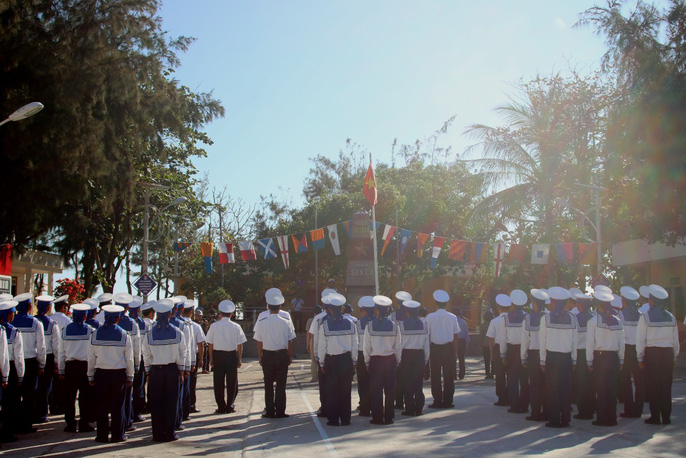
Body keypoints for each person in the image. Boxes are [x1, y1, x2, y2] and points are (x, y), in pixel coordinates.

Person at [88, 304, 134, 443]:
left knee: (101, 406)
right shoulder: (124, 335)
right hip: (118, 375)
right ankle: (117, 435)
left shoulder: (94, 334)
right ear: (118, 318)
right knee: (117, 406)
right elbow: (129, 359)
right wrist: (130, 376)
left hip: (101, 374)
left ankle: (101, 435)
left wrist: (90, 375)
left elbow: (91, 357)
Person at [143, 299, 186, 442]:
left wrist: (148, 371)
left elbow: (146, 354)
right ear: (170, 314)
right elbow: (182, 353)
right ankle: (169, 433)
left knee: (155, 403)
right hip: (172, 370)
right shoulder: (177, 332)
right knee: (171, 402)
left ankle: (157, 434)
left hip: (156, 371)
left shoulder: (149, 334)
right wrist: (181, 370)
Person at [637, 284, 680, 425]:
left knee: (654, 386)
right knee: (666, 386)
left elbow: (641, 339)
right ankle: (666, 417)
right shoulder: (671, 317)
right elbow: (675, 340)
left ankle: (655, 416)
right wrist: (674, 356)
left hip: (652, 354)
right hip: (667, 353)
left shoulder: (645, 317)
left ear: (652, 301)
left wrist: (640, 356)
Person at [539, 286, 578, 428]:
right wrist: (574, 359)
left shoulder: (546, 318)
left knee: (553, 390)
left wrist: (542, 360)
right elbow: (574, 341)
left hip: (552, 357)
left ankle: (554, 419)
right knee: (566, 389)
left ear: (554, 302)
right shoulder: (572, 318)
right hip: (567, 358)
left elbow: (542, 341)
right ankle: (566, 419)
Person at [253, 291, 296, 419]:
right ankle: (281, 411)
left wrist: (260, 356)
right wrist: (289, 356)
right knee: (281, 384)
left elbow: (259, 341)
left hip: (267, 355)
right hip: (282, 355)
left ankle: (270, 411)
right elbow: (290, 341)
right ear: (280, 307)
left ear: (268, 306)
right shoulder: (286, 321)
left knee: (268, 384)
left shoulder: (262, 320)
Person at [317, 293, 357, 426]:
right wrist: (354, 361)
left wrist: (321, 362)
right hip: (346, 360)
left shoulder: (325, 325)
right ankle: (346, 418)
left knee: (332, 390)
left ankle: (333, 419)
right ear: (343, 309)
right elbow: (354, 344)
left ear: (330, 309)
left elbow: (322, 346)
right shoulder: (351, 324)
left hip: (331, 360)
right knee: (346, 390)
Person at [587, 289, 625, 427]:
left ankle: (602, 418)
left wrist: (589, 361)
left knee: (601, 390)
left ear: (598, 305)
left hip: (600, 357)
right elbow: (622, 343)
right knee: (612, 389)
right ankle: (612, 418)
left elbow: (590, 343)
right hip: (613, 357)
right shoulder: (618, 322)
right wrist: (621, 359)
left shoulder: (593, 321)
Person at [364, 295, 401, 425]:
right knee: (390, 390)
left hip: (375, 361)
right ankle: (389, 417)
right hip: (390, 360)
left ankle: (377, 417)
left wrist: (367, 361)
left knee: (376, 390)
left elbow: (367, 346)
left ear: (377, 310)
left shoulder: (369, 326)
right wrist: (398, 360)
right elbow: (398, 346)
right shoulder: (394, 326)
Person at [12, 293, 46, 434]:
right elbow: (41, 346)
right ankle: (26, 425)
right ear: (29, 307)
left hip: (13, 362)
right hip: (31, 363)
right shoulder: (36, 323)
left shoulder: (10, 323)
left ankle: (13, 423)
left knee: (13, 395)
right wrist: (42, 364)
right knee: (29, 395)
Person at [58, 303, 95, 433]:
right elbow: (92, 352)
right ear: (84, 316)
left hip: (70, 366)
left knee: (69, 397)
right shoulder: (91, 330)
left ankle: (70, 424)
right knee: (85, 397)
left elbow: (61, 352)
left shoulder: (65, 330)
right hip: (85, 367)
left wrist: (61, 369)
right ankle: (84, 423)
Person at [205, 300, 246, 415]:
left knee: (218, 381)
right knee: (232, 381)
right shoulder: (236, 326)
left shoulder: (214, 326)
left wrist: (211, 358)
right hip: (231, 355)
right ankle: (230, 405)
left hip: (218, 355)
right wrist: (239, 359)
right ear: (231, 314)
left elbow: (210, 344)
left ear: (220, 313)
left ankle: (221, 406)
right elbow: (240, 345)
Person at [425, 290, 460, 409]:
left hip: (435, 348)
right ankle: (448, 401)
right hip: (448, 348)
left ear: (435, 302)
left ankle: (437, 400)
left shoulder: (429, 317)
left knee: (435, 375)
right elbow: (456, 335)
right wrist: (455, 351)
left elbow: (427, 335)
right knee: (449, 376)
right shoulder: (453, 317)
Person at [113, 293, 140, 433]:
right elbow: (136, 348)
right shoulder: (132, 323)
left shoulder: (105, 322)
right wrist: (136, 365)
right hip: (123, 366)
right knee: (125, 397)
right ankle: (127, 422)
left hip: (105, 367)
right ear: (128, 308)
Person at [498, 290, 528, 414]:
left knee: (512, 379)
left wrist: (503, 354)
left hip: (511, 350)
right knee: (525, 379)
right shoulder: (528, 317)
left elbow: (503, 338)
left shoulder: (505, 318)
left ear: (512, 304)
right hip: (524, 349)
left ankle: (514, 405)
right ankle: (525, 405)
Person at [398, 299, 429, 417]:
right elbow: (426, 344)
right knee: (418, 383)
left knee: (408, 383)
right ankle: (419, 409)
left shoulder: (402, 325)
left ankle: (409, 409)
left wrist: (399, 359)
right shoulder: (424, 324)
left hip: (407, 356)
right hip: (420, 356)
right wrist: (425, 359)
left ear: (407, 312)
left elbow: (399, 344)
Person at [521, 288, 549, 422]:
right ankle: (547, 411)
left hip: (533, 354)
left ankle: (536, 412)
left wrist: (523, 357)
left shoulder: (527, 318)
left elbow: (525, 340)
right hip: (548, 354)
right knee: (547, 384)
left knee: (535, 385)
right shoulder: (550, 316)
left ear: (535, 304)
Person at [34, 294, 61, 424]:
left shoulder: (33, 321)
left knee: (34, 388)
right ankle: (42, 414)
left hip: (32, 357)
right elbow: (56, 346)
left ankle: (32, 412)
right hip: (48, 358)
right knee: (45, 388)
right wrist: (57, 363)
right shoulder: (52, 324)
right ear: (49, 307)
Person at [618, 285, 644, 418]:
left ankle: (629, 410)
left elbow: (620, 336)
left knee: (626, 381)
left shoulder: (620, 315)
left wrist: (620, 356)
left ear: (624, 301)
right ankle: (638, 409)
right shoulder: (641, 315)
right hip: (638, 349)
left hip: (626, 350)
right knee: (639, 381)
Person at [0, 300, 24, 443]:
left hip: (5, 369)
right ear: (9, 316)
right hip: (8, 370)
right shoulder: (12, 332)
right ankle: (6, 433)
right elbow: (12, 357)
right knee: (9, 404)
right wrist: (15, 375)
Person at [169, 296, 192, 431]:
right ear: (181, 309)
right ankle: (176, 421)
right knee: (177, 396)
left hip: (158, 367)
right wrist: (186, 368)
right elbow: (186, 349)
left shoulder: (155, 327)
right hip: (177, 367)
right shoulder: (183, 325)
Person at [309, 293, 332, 417]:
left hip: (324, 356)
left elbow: (315, 338)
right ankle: (337, 407)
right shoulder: (345, 318)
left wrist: (316, 355)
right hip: (339, 356)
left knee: (324, 385)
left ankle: (325, 408)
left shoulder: (317, 318)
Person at [573, 291, 595, 421]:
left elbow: (573, 339)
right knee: (591, 383)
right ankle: (591, 408)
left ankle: (583, 411)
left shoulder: (575, 319)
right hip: (592, 353)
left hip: (580, 354)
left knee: (581, 383)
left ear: (580, 305)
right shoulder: (594, 317)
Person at [182, 301, 206, 414]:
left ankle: (181, 406)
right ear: (191, 312)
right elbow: (200, 344)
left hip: (178, 359)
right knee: (192, 383)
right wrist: (201, 358)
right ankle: (191, 405)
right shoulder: (195, 326)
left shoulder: (176, 324)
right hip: (192, 358)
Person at [49, 295, 71, 416]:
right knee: (62, 385)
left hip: (50, 354)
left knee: (52, 384)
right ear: (63, 308)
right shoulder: (67, 320)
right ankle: (60, 406)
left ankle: (52, 405)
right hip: (63, 355)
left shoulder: (50, 318)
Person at [487, 294, 510, 406]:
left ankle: (502, 397)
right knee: (511, 374)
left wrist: (491, 353)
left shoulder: (495, 321)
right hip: (511, 348)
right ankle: (512, 395)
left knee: (500, 375)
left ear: (498, 307)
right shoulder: (514, 319)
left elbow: (491, 339)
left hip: (497, 348)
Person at [391, 291, 412, 410]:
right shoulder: (414, 318)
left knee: (398, 378)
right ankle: (408, 400)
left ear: (398, 303)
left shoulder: (393, 316)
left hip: (397, 349)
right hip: (409, 350)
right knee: (409, 377)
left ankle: (399, 402)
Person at [355, 296, 375, 417]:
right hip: (375, 355)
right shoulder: (377, 322)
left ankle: (364, 408)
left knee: (362, 383)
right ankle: (375, 405)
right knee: (375, 383)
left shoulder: (358, 323)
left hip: (362, 355)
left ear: (363, 310)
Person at [128, 296, 147, 422]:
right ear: (139, 309)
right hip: (138, 358)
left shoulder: (122, 321)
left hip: (124, 359)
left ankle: (127, 414)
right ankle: (136, 413)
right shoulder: (140, 323)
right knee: (138, 388)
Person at [306, 305, 323, 383]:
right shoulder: (323, 319)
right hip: (322, 340)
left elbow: (308, 333)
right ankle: (322, 376)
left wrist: (307, 344)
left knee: (313, 359)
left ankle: (314, 377)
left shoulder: (310, 320)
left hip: (313, 340)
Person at [453, 307, 470, 381]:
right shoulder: (463, 322)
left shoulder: (451, 321)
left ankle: (453, 374)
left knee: (452, 358)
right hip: (462, 341)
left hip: (453, 341)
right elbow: (466, 333)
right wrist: (467, 342)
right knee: (461, 358)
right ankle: (461, 374)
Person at [480, 310, 493, 379]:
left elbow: (481, 336)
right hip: (493, 343)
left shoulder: (482, 325)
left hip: (485, 344)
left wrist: (480, 343)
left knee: (486, 359)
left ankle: (487, 373)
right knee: (493, 358)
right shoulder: (493, 324)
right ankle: (493, 371)